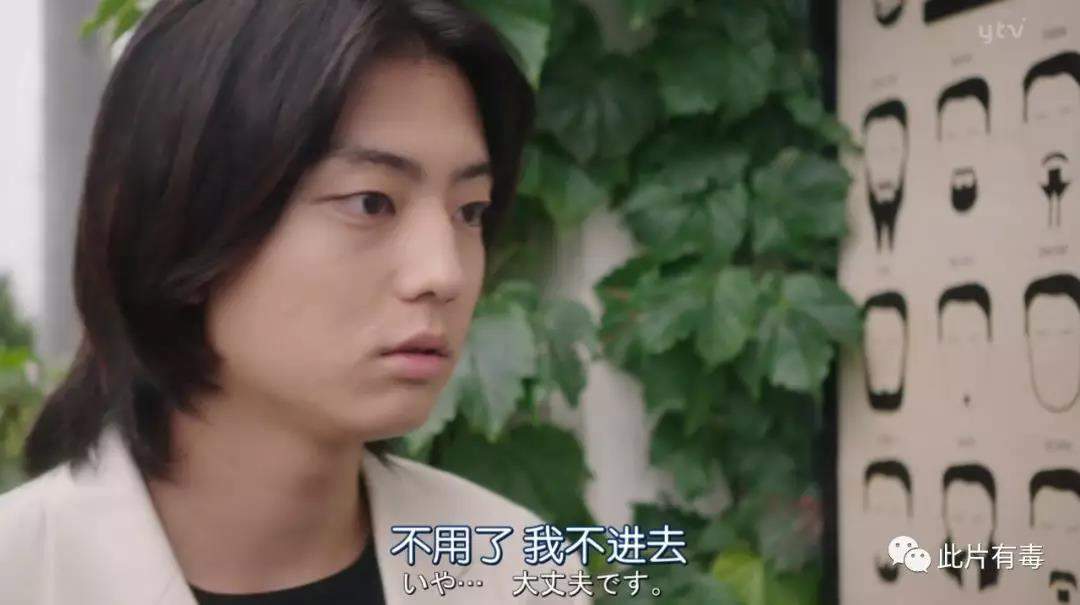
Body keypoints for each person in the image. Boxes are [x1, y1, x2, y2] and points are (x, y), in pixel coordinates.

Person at [0, 1, 590, 604]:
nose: (444, 273)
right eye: (371, 202)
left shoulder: (515, 570)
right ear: (183, 223)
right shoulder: (22, 574)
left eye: (470, 211)